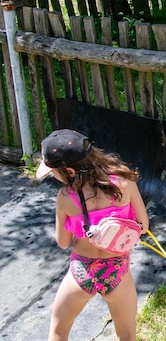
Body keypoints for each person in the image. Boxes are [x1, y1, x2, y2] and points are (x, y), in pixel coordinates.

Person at [36, 129, 149, 341]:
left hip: (81, 272)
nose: (53, 175)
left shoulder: (65, 198)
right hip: (118, 270)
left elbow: (63, 242)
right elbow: (143, 225)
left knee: (59, 332)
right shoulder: (124, 180)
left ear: (69, 171)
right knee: (127, 334)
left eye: (53, 172)